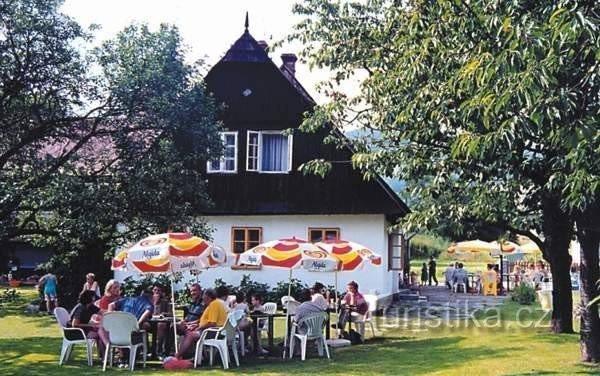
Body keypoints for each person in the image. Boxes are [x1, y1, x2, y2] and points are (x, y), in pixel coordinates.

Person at [175, 288, 227, 359]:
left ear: (208, 297)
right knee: (187, 331)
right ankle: (187, 355)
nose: (203, 299)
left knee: (190, 334)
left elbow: (212, 323)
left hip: (214, 332)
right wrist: (196, 325)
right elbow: (206, 320)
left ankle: (178, 356)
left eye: (204, 297)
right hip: (214, 331)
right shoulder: (215, 303)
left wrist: (199, 328)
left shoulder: (214, 305)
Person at [70, 290, 107, 358]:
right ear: (88, 298)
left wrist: (114, 312)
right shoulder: (80, 308)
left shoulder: (91, 307)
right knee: (99, 335)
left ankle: (103, 356)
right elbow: (74, 324)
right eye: (93, 297)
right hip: (75, 331)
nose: (95, 298)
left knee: (102, 332)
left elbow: (104, 313)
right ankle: (104, 356)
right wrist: (91, 325)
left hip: (84, 329)